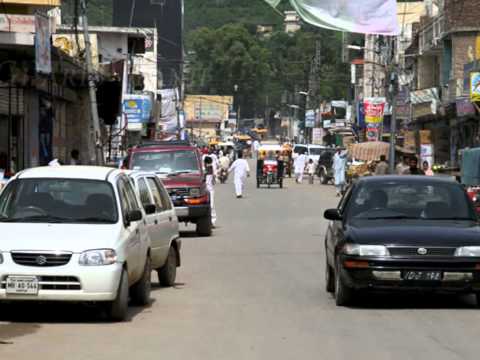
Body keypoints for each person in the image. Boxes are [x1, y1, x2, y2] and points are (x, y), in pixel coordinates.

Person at [204, 156, 217, 227]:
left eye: (210, 163)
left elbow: (214, 180)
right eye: (208, 163)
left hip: (210, 190)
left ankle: (212, 221)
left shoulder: (212, 169)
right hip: (204, 190)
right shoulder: (203, 169)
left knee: (211, 205)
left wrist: (214, 177)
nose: (209, 165)